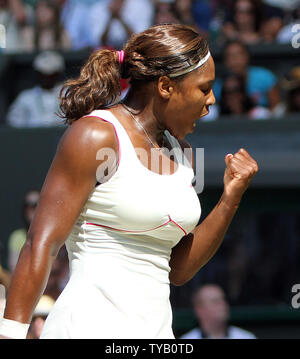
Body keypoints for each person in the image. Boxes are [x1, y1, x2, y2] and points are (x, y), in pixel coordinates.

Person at [0, 24, 258, 339]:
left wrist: (230, 199)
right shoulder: (94, 136)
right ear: (165, 86)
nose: (212, 101)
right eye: (204, 88)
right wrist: (10, 334)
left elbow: (178, 270)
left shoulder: (186, 154)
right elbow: (41, 243)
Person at [213, 40, 282, 115]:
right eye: (230, 56)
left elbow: (276, 107)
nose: (235, 59)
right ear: (225, 61)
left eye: (239, 54)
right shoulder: (218, 85)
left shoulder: (264, 77)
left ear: (247, 56)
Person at [6, 50, 65, 128]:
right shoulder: (25, 97)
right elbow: (14, 123)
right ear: (37, 74)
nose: (47, 79)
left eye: (51, 75)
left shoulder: (68, 94)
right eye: (43, 75)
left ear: (58, 74)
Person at [180, 284, 257, 339]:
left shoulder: (246, 337)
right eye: (215, 301)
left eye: (223, 299)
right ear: (199, 310)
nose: (223, 304)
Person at [7, 190, 40, 273]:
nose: (31, 209)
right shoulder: (17, 236)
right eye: (27, 205)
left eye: (36, 205)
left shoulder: (54, 235)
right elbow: (14, 269)